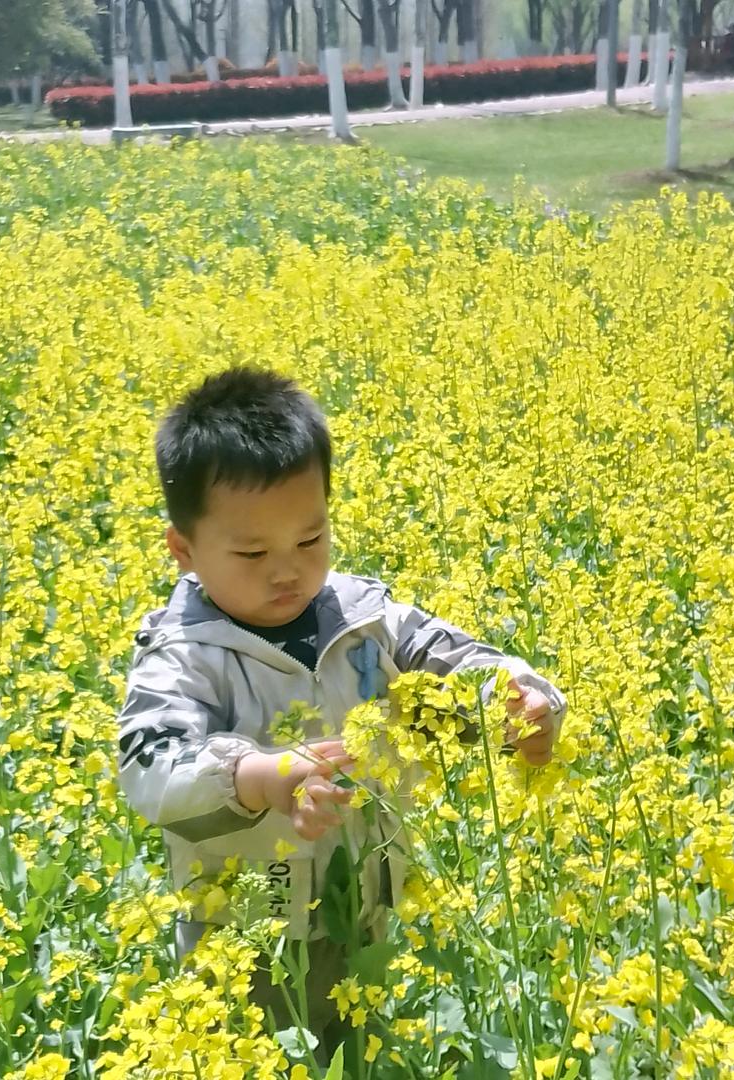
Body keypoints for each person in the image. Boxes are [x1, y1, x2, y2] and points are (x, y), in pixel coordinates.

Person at [116, 366, 568, 1052]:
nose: (287, 571)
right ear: (184, 551)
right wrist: (256, 777)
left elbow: (453, 661)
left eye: (310, 539)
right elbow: (150, 770)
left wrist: (516, 700)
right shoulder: (181, 656)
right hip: (249, 925)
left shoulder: (366, 618)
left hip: (366, 900)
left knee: (357, 1046)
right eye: (251, 552)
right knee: (257, 1054)